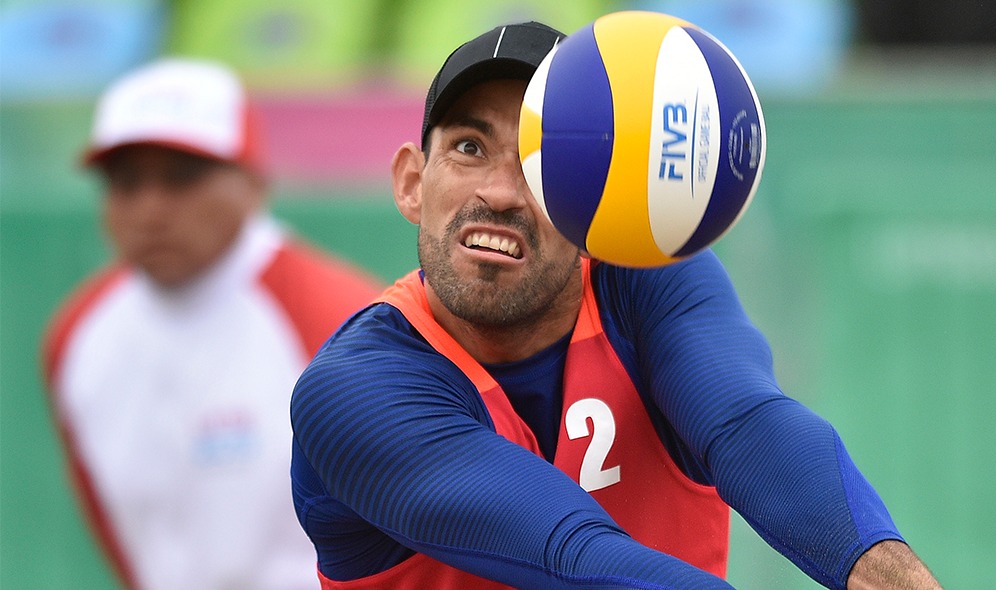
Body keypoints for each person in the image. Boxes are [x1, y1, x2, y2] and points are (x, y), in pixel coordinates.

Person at [290, 21, 942, 590]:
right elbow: (575, 556)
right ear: (410, 183)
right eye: (468, 147)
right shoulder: (355, 389)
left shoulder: (642, 287)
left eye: (545, 159)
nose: (500, 191)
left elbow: (749, 426)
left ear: (600, 196)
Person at [41, 58, 382, 590]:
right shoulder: (77, 337)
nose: (150, 209)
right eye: (126, 183)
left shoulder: (343, 323)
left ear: (251, 183)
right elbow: (117, 529)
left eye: (182, 178)